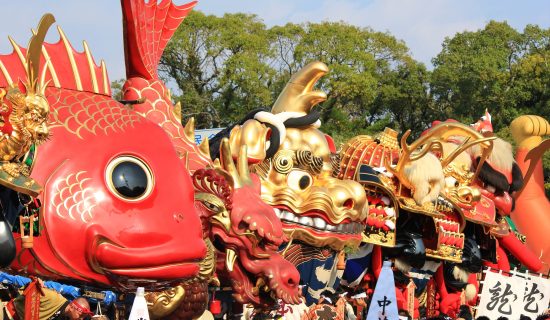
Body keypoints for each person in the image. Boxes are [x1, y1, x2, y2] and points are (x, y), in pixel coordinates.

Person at [3, 279, 93, 320]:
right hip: (7, 314)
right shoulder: (54, 298)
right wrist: (36, 284)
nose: (81, 319)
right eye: (81, 316)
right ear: (72, 307)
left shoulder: (64, 315)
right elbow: (28, 289)